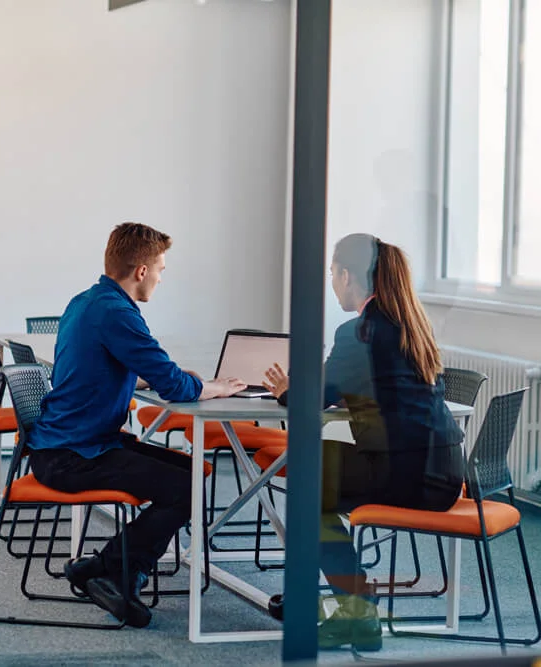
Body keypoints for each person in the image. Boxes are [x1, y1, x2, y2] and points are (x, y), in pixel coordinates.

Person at [26, 222, 245, 628]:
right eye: (160, 269)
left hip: (68, 443)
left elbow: (93, 368)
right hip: (73, 455)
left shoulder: (85, 301)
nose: (161, 278)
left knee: (187, 472)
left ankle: (101, 566)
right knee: (186, 486)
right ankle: (119, 573)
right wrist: (209, 387)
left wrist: (149, 379)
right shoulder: (118, 313)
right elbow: (176, 386)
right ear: (141, 271)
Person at [262, 233, 465, 651]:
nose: (332, 283)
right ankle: (350, 605)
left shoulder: (360, 332)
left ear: (348, 275)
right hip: (445, 472)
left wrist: (286, 390)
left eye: (332, 274)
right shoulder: (411, 325)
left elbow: (314, 399)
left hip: (408, 474)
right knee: (319, 468)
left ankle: (357, 611)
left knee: (306, 493)